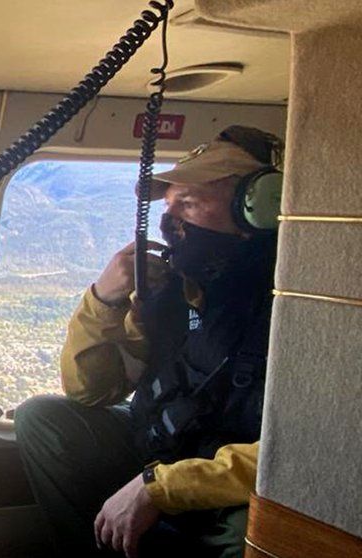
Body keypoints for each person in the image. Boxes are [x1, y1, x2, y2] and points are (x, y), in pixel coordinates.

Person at [15, 126, 281, 558]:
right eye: (170, 206)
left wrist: (162, 488)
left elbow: (293, 453)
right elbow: (92, 389)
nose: (171, 222)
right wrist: (104, 299)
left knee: (249, 528)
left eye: (190, 204)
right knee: (43, 421)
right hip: (167, 445)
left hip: (232, 472)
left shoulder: (295, 306)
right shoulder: (172, 290)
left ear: (259, 209)